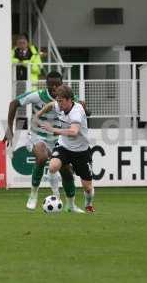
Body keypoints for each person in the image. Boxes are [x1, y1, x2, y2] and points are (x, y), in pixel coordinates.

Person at [3, 71, 85, 213]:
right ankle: (33, 195)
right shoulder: (37, 96)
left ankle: (71, 205)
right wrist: (9, 128)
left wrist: (85, 108)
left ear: (62, 84)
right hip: (38, 136)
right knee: (41, 158)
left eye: (57, 85)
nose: (54, 88)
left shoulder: (69, 98)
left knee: (66, 170)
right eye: (50, 85)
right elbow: (14, 103)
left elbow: (83, 111)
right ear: (46, 84)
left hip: (59, 139)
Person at [35, 85, 95, 213]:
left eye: (61, 101)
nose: (58, 103)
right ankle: (56, 195)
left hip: (81, 151)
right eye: (58, 100)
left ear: (69, 100)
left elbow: (73, 132)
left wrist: (53, 130)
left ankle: (88, 204)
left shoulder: (77, 111)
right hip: (64, 147)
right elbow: (50, 105)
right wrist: (39, 113)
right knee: (52, 167)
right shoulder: (59, 105)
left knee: (88, 188)